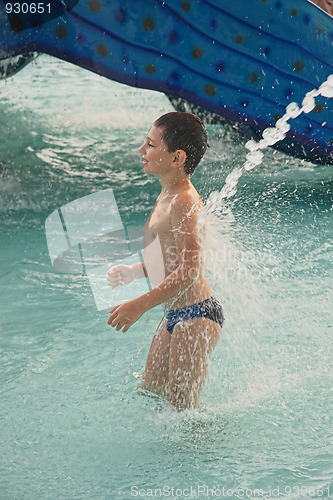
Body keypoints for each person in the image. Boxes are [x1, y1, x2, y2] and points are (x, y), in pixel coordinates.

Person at [107, 112, 224, 409]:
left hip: (196, 314)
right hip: (175, 314)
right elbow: (170, 258)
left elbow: (189, 270)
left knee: (184, 410)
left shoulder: (184, 200)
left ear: (177, 158)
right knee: (151, 388)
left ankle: (216, 444)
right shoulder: (167, 194)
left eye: (150, 144)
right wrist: (135, 271)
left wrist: (140, 304)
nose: (141, 150)